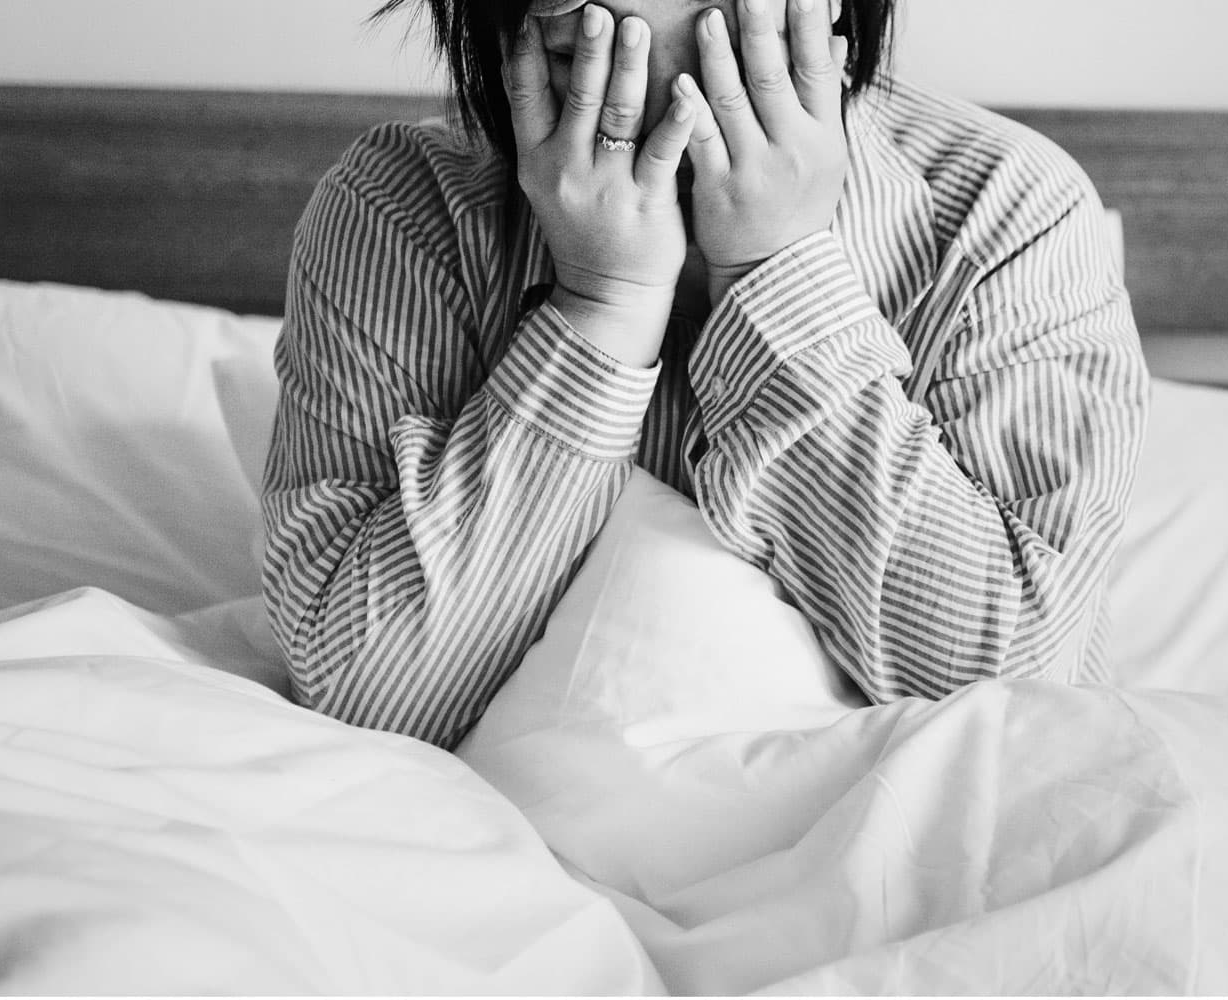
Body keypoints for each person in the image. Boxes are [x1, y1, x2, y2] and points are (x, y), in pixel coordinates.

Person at [260, 0, 1151, 749]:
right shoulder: (400, 210)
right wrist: (603, 304)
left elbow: (1024, 708)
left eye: (722, 50)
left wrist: (778, 269)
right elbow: (363, 696)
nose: (663, 117)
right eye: (589, 57)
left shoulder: (1004, 210)